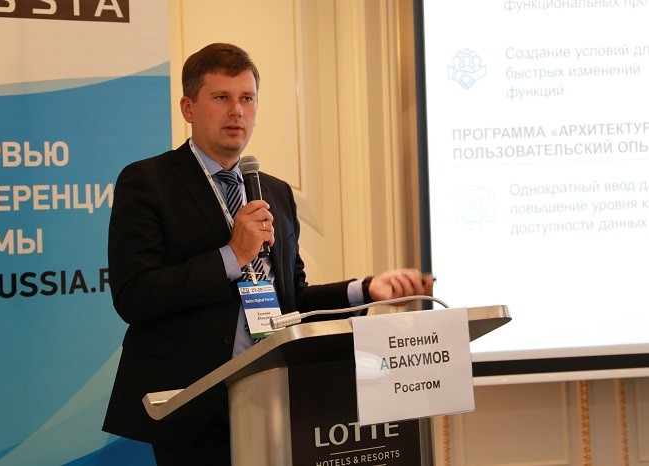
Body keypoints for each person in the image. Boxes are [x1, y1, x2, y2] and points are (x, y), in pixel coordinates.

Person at [102, 42, 434, 465]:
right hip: (194, 403)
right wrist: (232, 255)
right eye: (221, 97)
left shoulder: (274, 191)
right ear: (188, 108)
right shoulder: (148, 181)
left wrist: (366, 290)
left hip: (275, 392)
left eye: (247, 98)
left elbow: (292, 299)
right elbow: (135, 294)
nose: (236, 111)